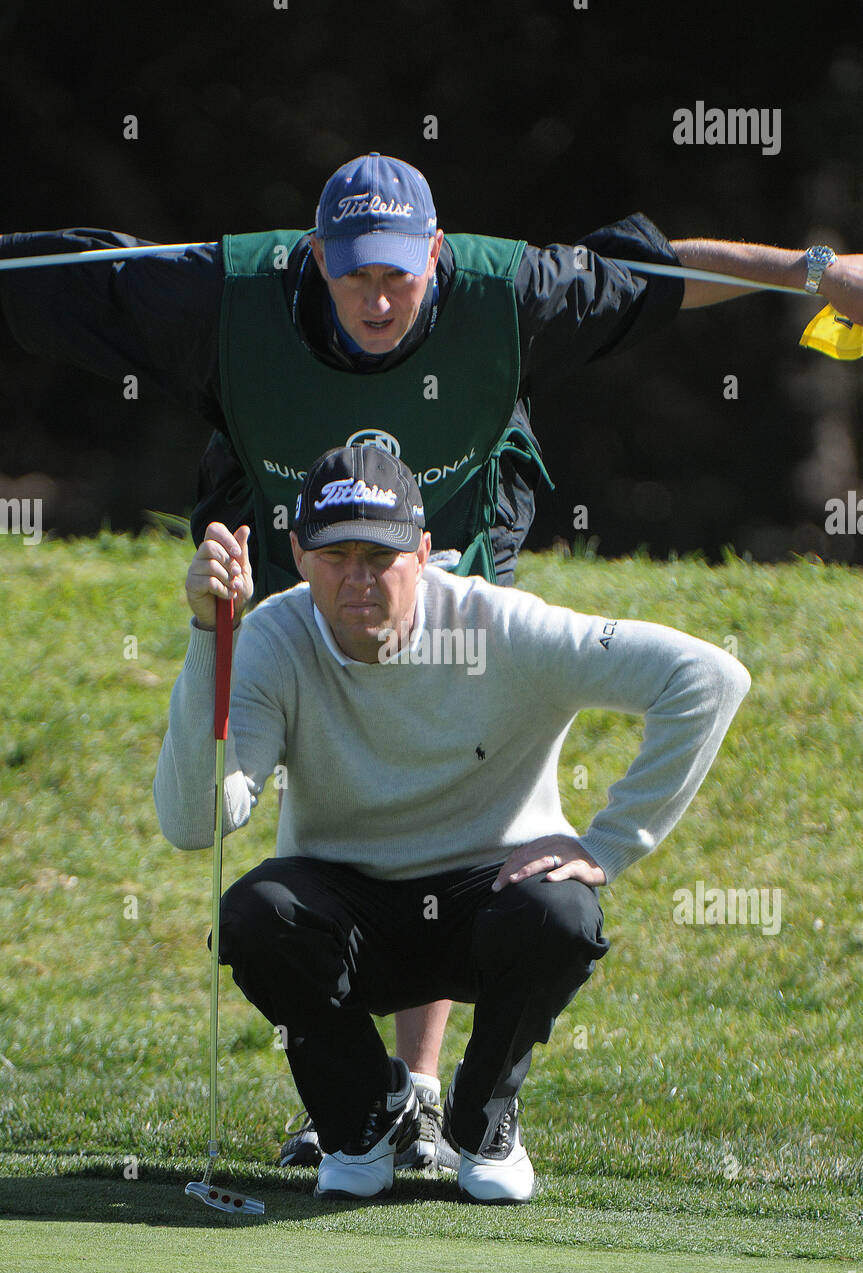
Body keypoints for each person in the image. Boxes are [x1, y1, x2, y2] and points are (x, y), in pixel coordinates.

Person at [1, 152, 854, 1166]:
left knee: (444, 765)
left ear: (435, 255)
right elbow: (62, 276)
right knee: (321, 757)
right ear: (316, 257)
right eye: (353, 271)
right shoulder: (218, 294)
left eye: (397, 273)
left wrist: (813, 270)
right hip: (292, 539)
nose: (376, 295)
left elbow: (655, 273)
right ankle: (363, 1099)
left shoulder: (510, 291)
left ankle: (417, 1088)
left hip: (452, 543)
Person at [153, 441, 750, 1203]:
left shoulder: (500, 626)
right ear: (297, 553)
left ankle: (481, 1122)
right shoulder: (273, 634)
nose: (358, 578)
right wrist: (212, 639)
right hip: (347, 911)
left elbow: (705, 677)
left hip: (488, 904)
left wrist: (608, 844)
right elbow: (193, 822)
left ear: (426, 551)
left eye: (381, 554)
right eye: (335, 555)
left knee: (559, 912)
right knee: (256, 915)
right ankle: (361, 1121)